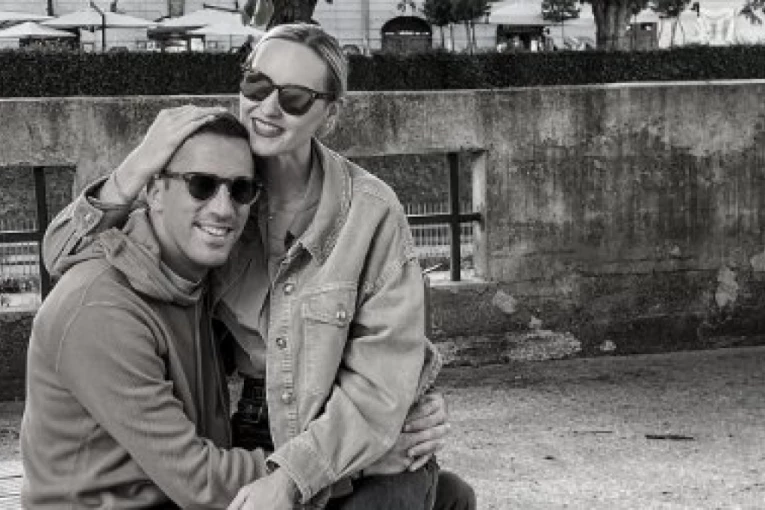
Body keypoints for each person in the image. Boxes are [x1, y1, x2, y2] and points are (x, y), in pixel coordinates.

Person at [43, 23, 477, 510]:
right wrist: (138, 164)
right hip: (257, 426)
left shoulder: (370, 212)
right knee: (448, 497)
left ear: (330, 114)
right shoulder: (214, 190)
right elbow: (63, 254)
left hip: (359, 431)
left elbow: (382, 379)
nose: (268, 108)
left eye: (294, 98)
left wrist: (296, 476)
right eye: (257, 85)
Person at [21, 113, 274, 509]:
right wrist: (322, 468)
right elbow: (200, 481)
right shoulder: (103, 310)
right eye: (201, 185)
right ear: (154, 191)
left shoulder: (196, 277)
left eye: (241, 189)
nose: (224, 209)